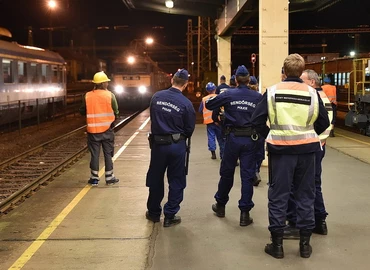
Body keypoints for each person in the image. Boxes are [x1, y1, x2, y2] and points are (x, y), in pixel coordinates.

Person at [251, 54, 330, 259]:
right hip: (307, 151)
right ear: (301, 71)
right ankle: (305, 245)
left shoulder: (272, 91)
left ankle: (277, 246)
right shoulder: (313, 93)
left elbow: (257, 121)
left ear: (283, 72)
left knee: (278, 195)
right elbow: (323, 123)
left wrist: (271, 135)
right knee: (306, 195)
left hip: (281, 151)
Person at [206, 65, 263, 227]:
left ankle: (221, 205)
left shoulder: (229, 94)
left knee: (227, 173)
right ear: (249, 79)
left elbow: (210, 105)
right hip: (250, 139)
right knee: (247, 176)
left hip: (232, 138)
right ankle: (245, 214)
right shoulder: (257, 96)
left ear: (236, 80)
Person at [284, 69, 333, 239]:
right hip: (316, 145)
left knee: (305, 186)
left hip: (313, 147)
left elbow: (325, 124)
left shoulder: (317, 97)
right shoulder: (318, 96)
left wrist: (312, 138)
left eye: (302, 80)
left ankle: (301, 221)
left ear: (312, 82)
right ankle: (319, 221)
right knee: (313, 184)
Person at [145, 69, 196, 228]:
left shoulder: (156, 97)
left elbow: (152, 117)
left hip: (158, 145)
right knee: (176, 179)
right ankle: (170, 215)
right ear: (186, 84)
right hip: (176, 146)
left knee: (155, 177)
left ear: (172, 80)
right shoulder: (186, 104)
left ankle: (153, 213)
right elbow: (189, 129)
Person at [79, 71, 120, 186]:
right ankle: (109, 177)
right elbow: (116, 110)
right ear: (103, 84)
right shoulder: (110, 95)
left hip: (93, 131)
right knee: (108, 153)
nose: (107, 83)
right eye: (106, 82)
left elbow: (82, 110)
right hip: (107, 130)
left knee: (94, 154)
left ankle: (94, 178)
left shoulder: (87, 96)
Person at [199, 82, 224, 159]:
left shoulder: (204, 99)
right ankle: (222, 154)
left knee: (211, 137)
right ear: (215, 89)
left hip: (209, 121)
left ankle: (213, 153)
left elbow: (200, 110)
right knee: (220, 138)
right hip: (218, 121)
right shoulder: (219, 97)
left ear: (207, 90)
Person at [248, 75, 264, 186]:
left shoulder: (246, 97)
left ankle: (253, 172)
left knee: (250, 154)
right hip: (259, 130)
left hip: (248, 131)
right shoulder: (260, 97)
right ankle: (256, 170)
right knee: (259, 153)